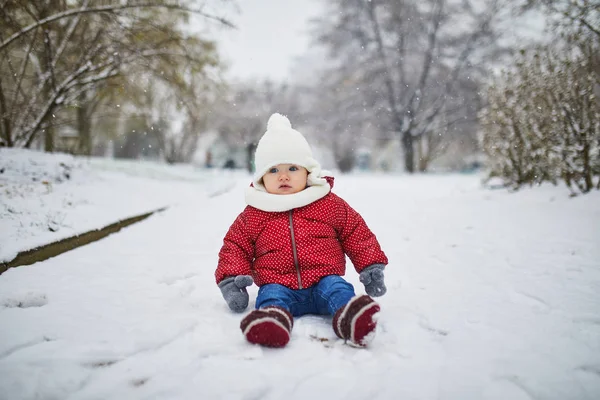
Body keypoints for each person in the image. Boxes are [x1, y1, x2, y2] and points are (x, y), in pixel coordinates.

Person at [215, 113, 388, 348]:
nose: (283, 176)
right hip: (277, 283)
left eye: (293, 168)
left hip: (324, 280)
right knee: (270, 297)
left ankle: (351, 319)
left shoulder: (327, 203)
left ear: (308, 171)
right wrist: (231, 282)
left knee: (339, 289)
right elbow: (235, 246)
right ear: (261, 177)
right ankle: (272, 321)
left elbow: (355, 232)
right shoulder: (254, 213)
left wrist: (371, 266)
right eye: (273, 170)